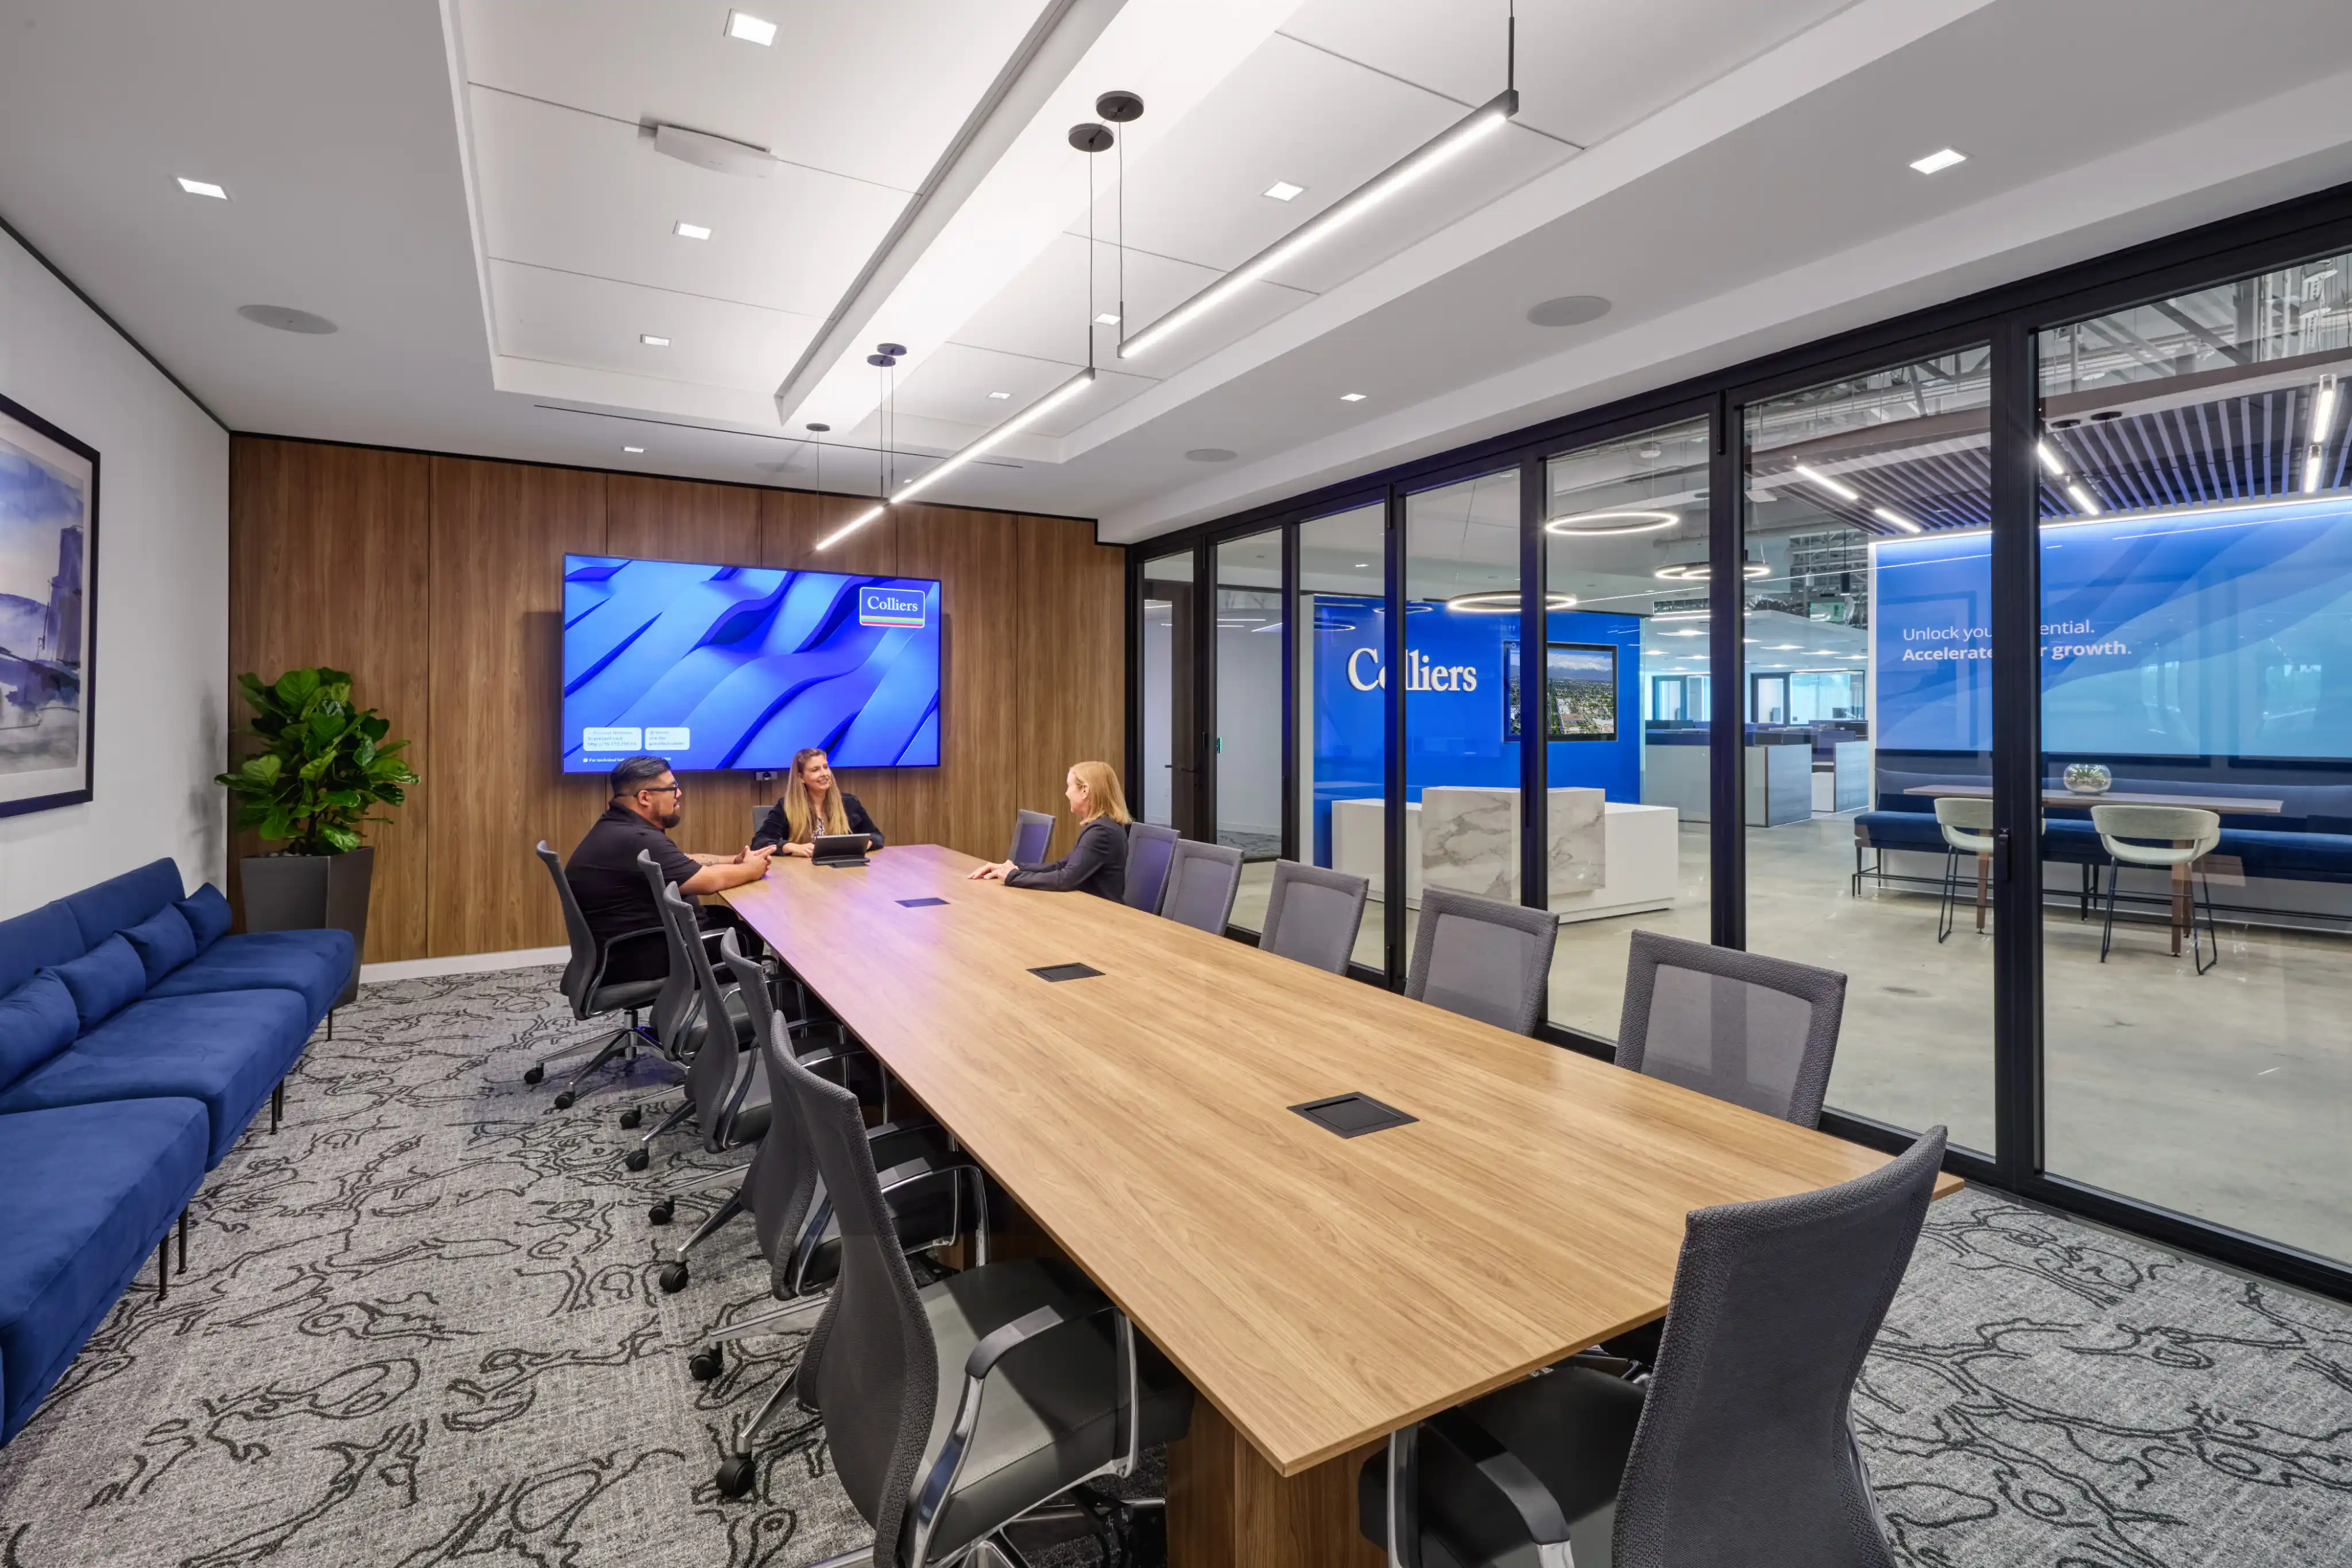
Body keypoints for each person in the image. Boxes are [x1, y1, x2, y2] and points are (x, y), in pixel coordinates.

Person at [566, 755, 773, 985]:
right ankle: (744, 1013)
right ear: (645, 797)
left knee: (724, 918)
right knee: (745, 938)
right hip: (637, 956)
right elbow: (708, 883)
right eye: (672, 788)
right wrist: (752, 869)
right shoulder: (636, 838)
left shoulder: (620, 826)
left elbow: (683, 861)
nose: (679, 793)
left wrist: (735, 861)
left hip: (628, 945)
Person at [967, 760, 1129, 900]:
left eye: (1069, 786)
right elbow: (1061, 866)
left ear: (1085, 790)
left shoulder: (1101, 831)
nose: (1066, 793)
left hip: (1103, 918)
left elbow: (1066, 879)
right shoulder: (1104, 825)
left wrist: (1013, 877)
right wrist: (1012, 868)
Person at [751, 746, 885, 857]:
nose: (824, 774)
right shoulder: (786, 807)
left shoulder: (849, 803)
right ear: (801, 777)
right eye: (816, 770)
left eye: (826, 767)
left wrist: (867, 843)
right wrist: (789, 847)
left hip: (843, 874)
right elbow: (759, 842)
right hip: (802, 874)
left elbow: (877, 836)